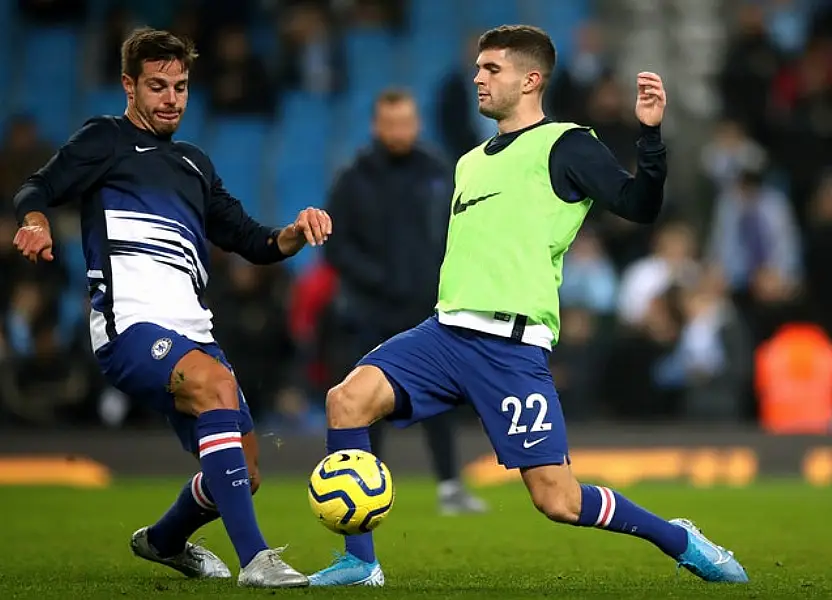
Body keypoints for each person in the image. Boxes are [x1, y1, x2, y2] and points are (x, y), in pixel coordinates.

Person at [308, 25, 749, 587]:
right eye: (478, 68)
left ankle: (679, 537)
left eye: (492, 69)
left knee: (558, 500)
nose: (478, 78)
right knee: (346, 400)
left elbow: (639, 206)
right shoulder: (468, 162)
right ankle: (360, 561)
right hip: (444, 334)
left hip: (510, 348)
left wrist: (650, 137)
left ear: (531, 78)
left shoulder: (567, 144)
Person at [11, 28, 331, 589]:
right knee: (215, 385)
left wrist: (296, 233)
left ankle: (163, 540)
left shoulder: (194, 165)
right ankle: (255, 560)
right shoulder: (104, 140)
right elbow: (35, 188)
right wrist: (35, 223)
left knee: (244, 473)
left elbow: (253, 241)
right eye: (157, 86)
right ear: (128, 86)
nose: (171, 99)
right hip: (130, 328)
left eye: (180, 87)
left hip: (193, 332)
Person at [325, 88, 487, 515]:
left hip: (425, 309)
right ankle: (363, 486)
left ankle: (451, 487)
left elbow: (459, 234)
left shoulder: (439, 172)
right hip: (370, 311)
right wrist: (379, 281)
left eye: (405, 122)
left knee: (440, 400)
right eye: (390, 123)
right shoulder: (353, 178)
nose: (398, 131)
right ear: (377, 126)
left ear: (416, 123)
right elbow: (336, 248)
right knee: (365, 400)